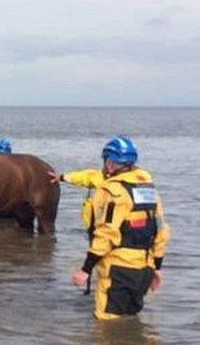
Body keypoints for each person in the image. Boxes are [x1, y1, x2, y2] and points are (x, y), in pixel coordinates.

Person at [70, 136, 171, 321]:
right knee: (131, 319)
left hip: (118, 269)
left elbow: (106, 233)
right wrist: (157, 267)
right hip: (144, 270)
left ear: (109, 163)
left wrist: (85, 269)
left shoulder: (111, 191)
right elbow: (161, 231)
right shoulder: (149, 190)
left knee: (106, 326)